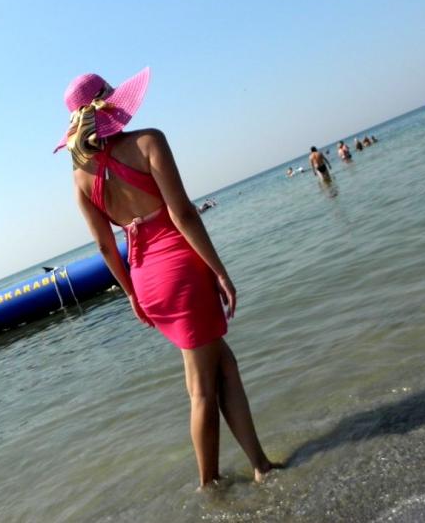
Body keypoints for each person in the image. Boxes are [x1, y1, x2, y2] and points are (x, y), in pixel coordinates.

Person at [54, 67, 275, 487]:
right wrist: (220, 271)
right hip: (181, 270)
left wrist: (132, 295)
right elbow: (183, 214)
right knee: (202, 389)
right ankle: (210, 486)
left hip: (146, 279)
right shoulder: (147, 142)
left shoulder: (80, 179)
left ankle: (260, 465)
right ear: (112, 105)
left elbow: (105, 247)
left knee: (224, 366)